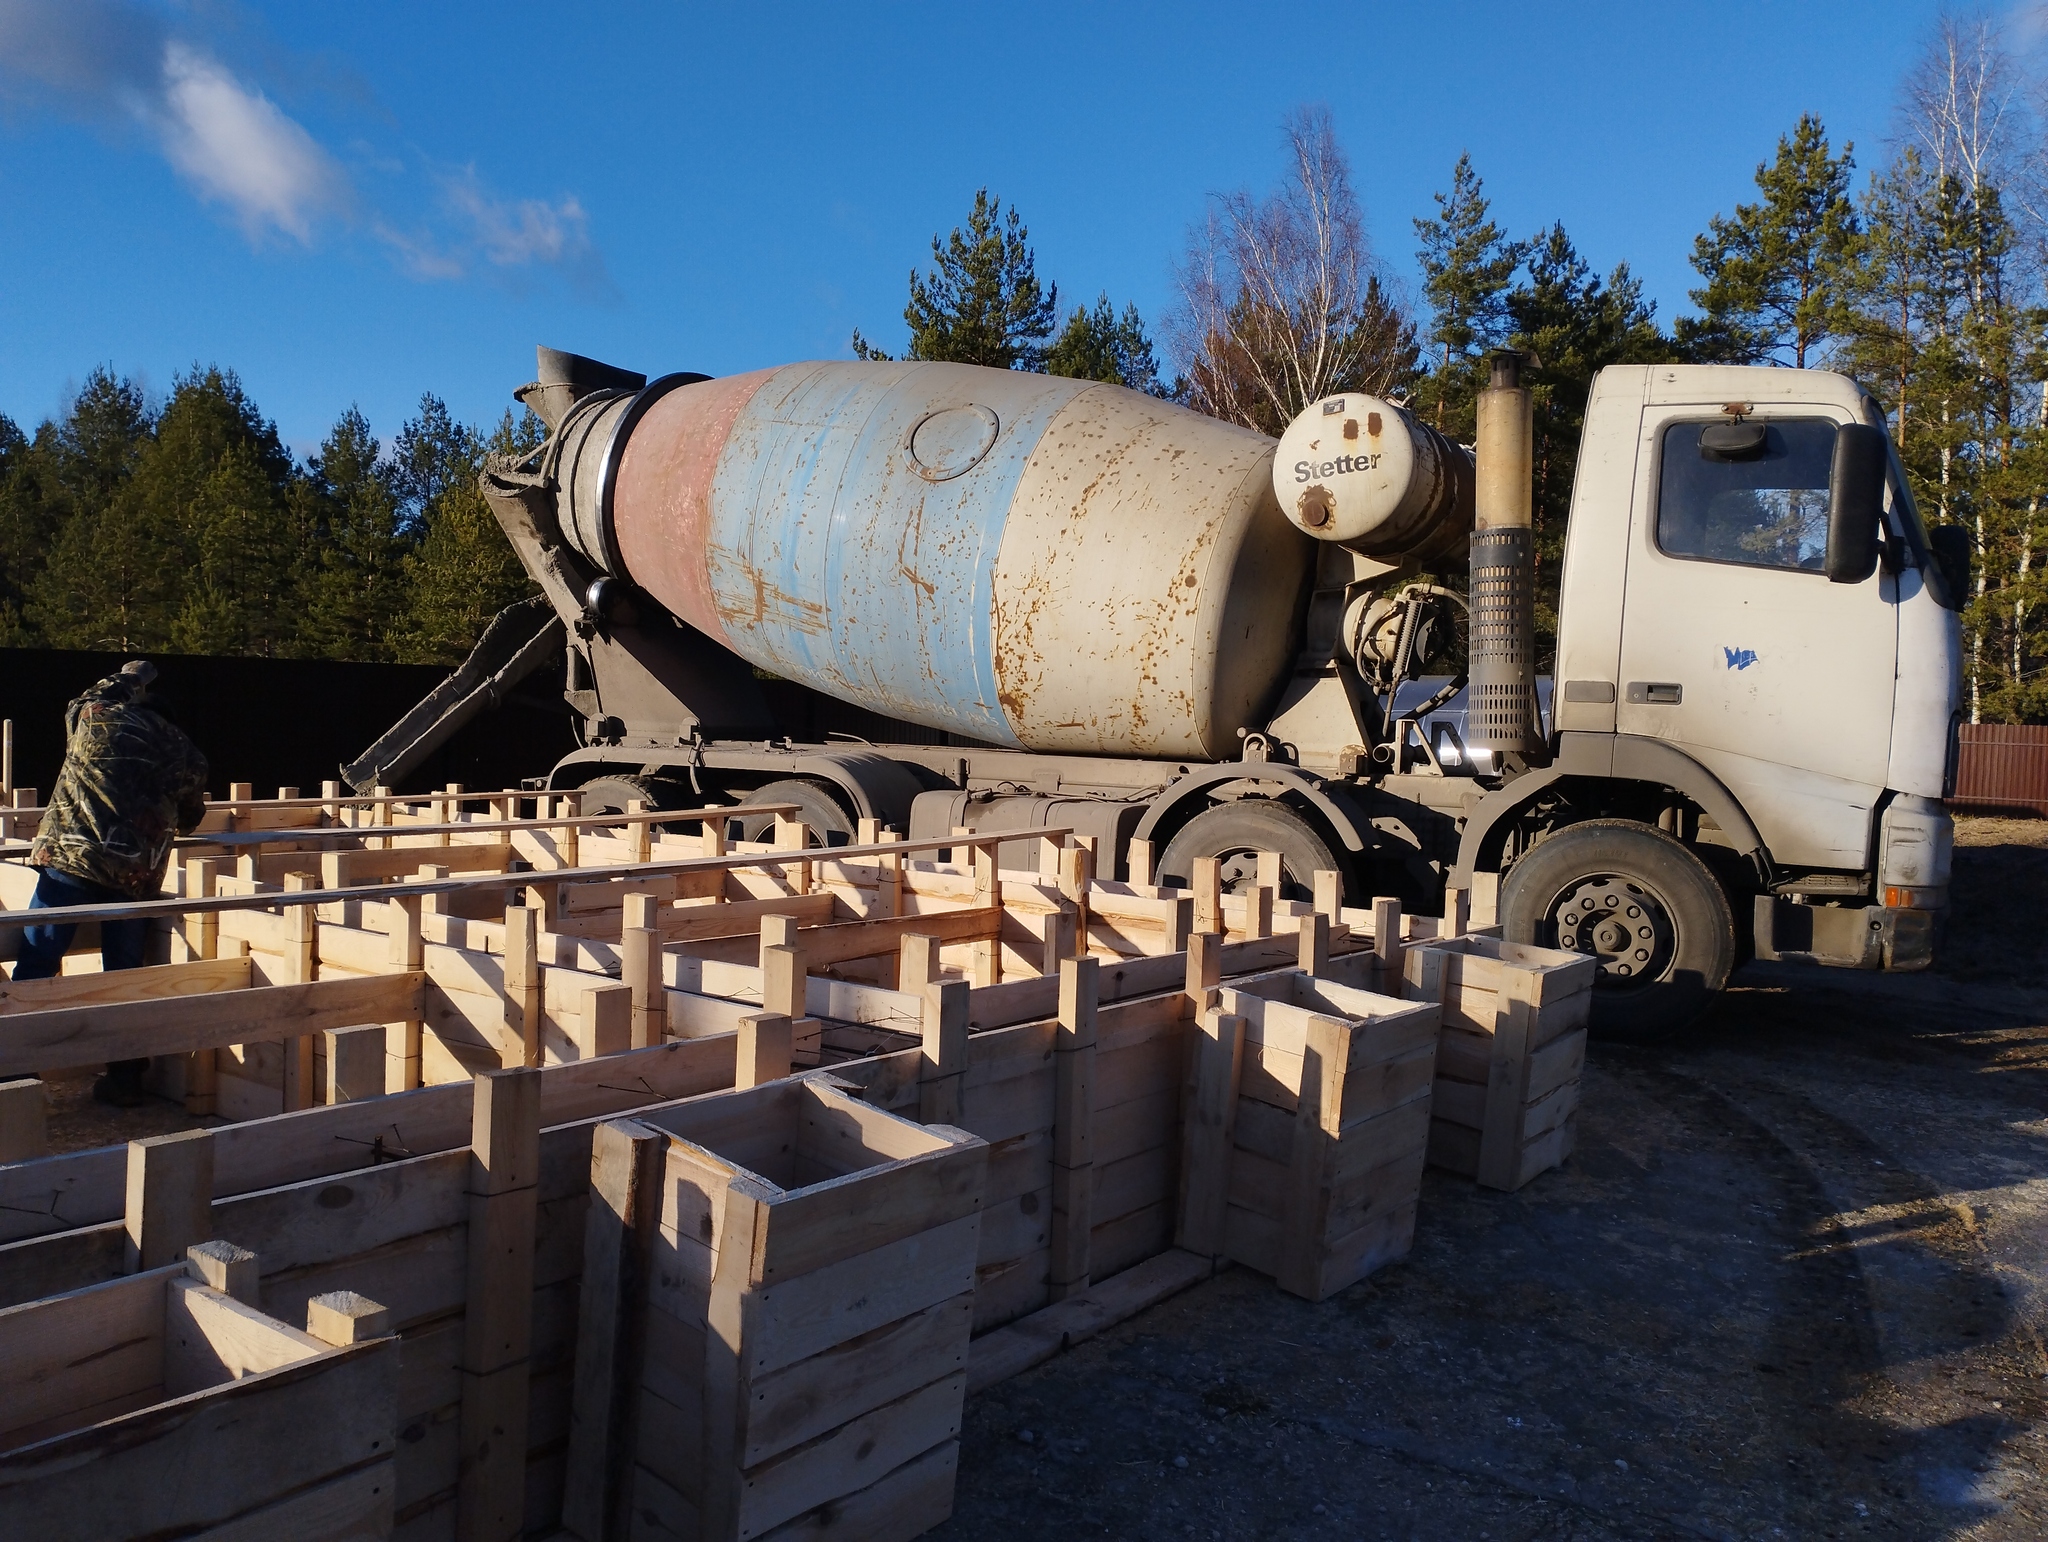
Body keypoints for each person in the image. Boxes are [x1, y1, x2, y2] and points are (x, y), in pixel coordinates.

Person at [16, 661, 209, 1105]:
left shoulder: (98, 717)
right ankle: (125, 1080)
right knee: (123, 980)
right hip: (132, 879)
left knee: (37, 966)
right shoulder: (186, 752)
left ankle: (15, 1074)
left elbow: (86, 697)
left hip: (70, 860)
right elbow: (192, 816)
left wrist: (133, 674)